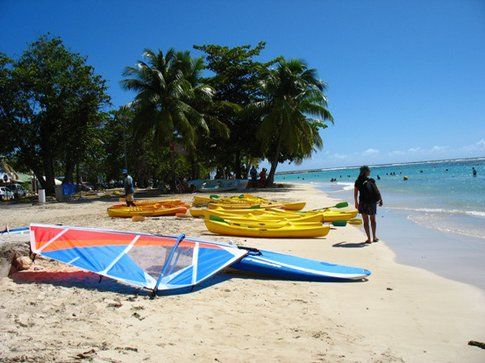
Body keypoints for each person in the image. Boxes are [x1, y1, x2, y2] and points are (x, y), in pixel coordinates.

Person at [354, 166, 383, 243]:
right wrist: (380, 199)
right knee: (373, 220)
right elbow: (377, 191)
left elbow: (355, 193)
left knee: (365, 221)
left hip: (363, 202)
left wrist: (356, 202)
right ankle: (374, 237)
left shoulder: (358, 181)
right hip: (372, 202)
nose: (370, 171)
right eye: (369, 170)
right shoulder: (371, 180)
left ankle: (369, 239)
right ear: (365, 172)